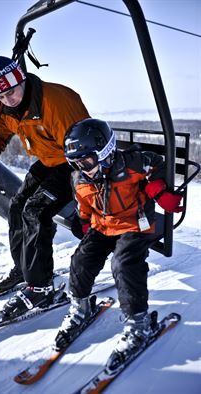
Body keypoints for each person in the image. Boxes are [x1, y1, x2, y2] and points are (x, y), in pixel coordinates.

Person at [54, 118, 183, 357]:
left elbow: (158, 163)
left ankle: (138, 323)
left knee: (124, 264)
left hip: (135, 224)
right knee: (80, 260)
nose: (83, 168)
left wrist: (159, 189)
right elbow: (84, 204)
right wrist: (82, 222)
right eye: (76, 162)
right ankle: (79, 307)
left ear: (105, 151)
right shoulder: (80, 179)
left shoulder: (132, 162)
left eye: (87, 160)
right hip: (103, 225)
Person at [0, 55, 90, 317]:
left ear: (21, 80)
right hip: (49, 161)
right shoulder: (7, 107)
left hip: (73, 165)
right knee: (16, 206)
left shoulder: (56, 102)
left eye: (11, 92)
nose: (7, 100)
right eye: (1, 96)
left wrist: (87, 206)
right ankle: (24, 269)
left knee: (35, 211)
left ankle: (41, 285)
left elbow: (85, 152)